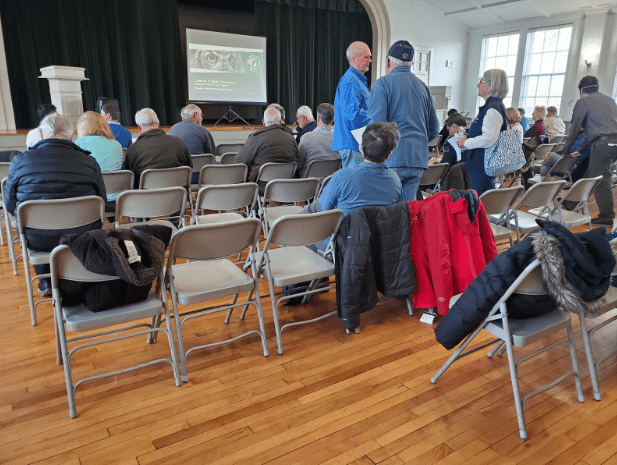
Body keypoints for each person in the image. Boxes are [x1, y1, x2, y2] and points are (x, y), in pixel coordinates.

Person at [5, 114, 106, 296]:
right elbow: (102, 203)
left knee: (36, 226)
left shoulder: (20, 162)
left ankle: (46, 282)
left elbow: (11, 206)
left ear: (42, 134)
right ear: (71, 136)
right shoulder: (89, 162)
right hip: (81, 236)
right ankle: (76, 278)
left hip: (39, 239)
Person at [368, 40, 440, 200]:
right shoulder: (423, 87)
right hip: (417, 160)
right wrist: (416, 140)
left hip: (392, 158)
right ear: (411, 63)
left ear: (388, 61)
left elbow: (377, 127)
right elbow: (435, 128)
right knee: (407, 210)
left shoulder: (383, 84)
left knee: (387, 211)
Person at [306, 122, 402, 216]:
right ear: (389, 154)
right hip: (381, 232)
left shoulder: (341, 177)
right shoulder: (395, 181)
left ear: (361, 147)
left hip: (346, 231)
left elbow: (323, 209)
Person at [563, 76, 617, 225]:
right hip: (611, 143)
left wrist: (565, 151)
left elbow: (574, 129)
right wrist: (581, 150)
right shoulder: (610, 100)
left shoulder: (583, 102)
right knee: (592, 173)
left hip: (603, 144)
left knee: (601, 179)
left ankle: (607, 217)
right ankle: (571, 202)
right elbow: (591, 132)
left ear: (581, 90)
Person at [457, 69, 509, 196]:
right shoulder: (492, 106)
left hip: (483, 165)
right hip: (481, 163)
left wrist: (466, 142)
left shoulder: (492, 109)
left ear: (491, 85)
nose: (478, 85)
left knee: (480, 200)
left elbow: (489, 138)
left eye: (481, 81)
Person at [124, 108, 192, 188]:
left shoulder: (133, 150)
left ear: (139, 127)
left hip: (146, 198)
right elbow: (189, 168)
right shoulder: (179, 143)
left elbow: (130, 179)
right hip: (178, 197)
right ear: (158, 124)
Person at [333, 41, 372, 168]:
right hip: (353, 144)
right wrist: (376, 116)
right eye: (366, 57)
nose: (370, 60)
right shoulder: (350, 81)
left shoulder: (357, 80)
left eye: (370, 57)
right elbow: (352, 114)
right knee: (356, 185)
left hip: (357, 144)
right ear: (353, 59)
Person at [235, 107, 297, 183]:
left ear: (263, 122)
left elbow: (239, 162)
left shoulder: (255, 138)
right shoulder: (292, 140)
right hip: (286, 187)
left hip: (259, 187)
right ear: (281, 122)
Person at [296, 103, 340, 177]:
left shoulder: (306, 138)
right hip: (331, 181)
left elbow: (299, 164)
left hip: (308, 183)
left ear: (318, 117)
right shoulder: (339, 139)